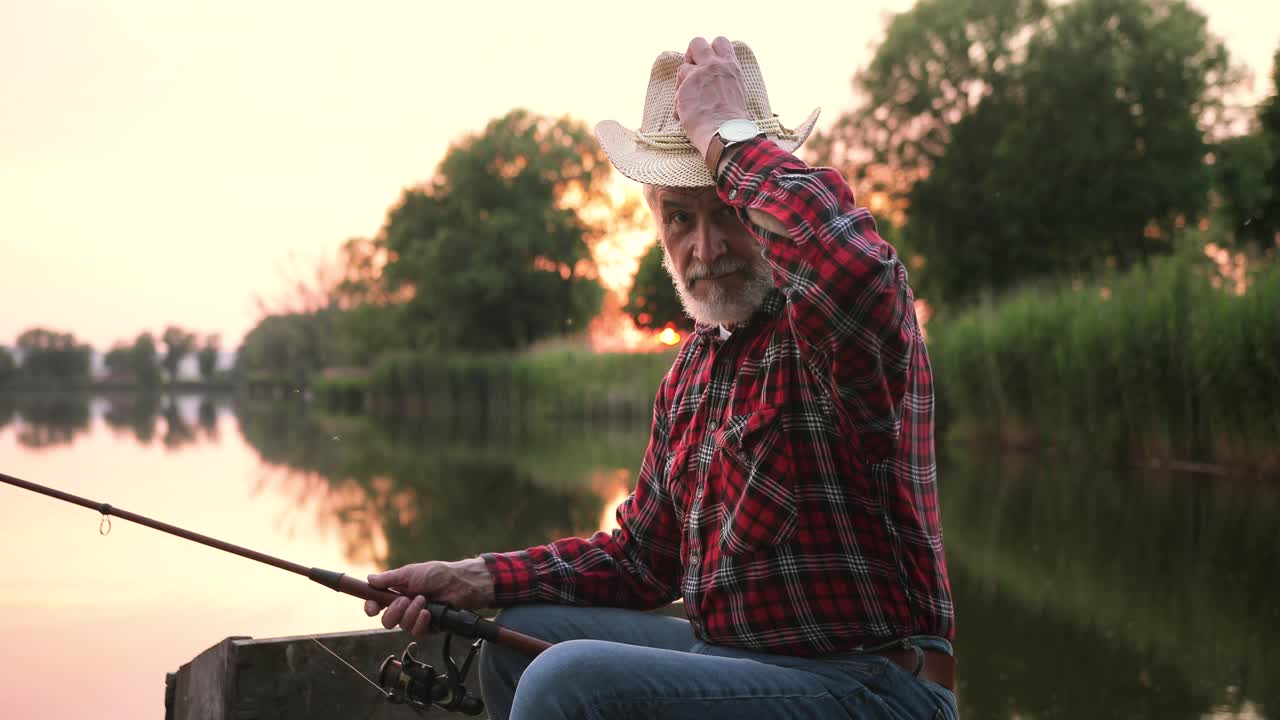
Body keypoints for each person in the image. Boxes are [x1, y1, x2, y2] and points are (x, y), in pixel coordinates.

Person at [363, 37, 957, 720]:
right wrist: (473, 578)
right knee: (519, 644)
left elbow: (853, 270)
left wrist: (723, 136)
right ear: (658, 223)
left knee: (569, 683)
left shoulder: (830, 331)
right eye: (680, 217)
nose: (704, 249)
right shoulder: (693, 372)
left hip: (879, 688)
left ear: (756, 200)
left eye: (726, 212)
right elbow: (639, 562)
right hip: (745, 667)